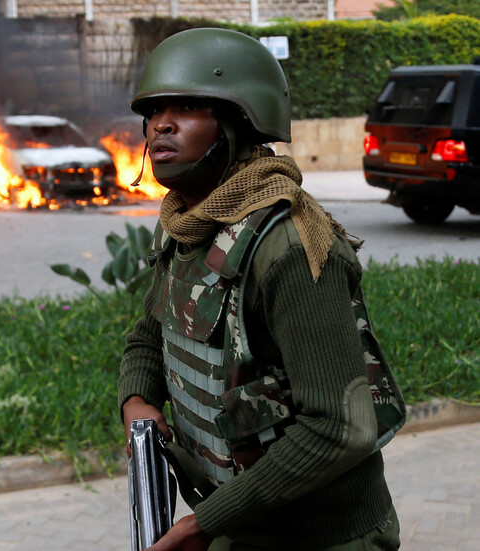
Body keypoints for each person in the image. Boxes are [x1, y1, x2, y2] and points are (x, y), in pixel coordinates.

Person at [118, 28, 406, 551]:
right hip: (241, 522)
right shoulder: (187, 223)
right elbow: (149, 333)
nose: (161, 124)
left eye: (187, 107)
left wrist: (202, 523)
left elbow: (338, 427)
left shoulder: (290, 246)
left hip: (321, 538)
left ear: (239, 123)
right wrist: (138, 400)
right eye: (154, 110)